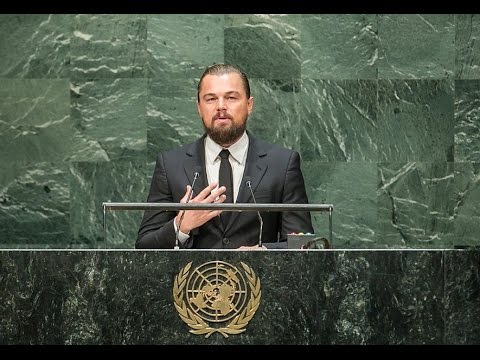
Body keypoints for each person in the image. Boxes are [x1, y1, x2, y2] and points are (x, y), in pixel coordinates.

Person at [136, 63, 313, 249]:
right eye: (211, 99)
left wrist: (264, 253)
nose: (221, 106)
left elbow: (303, 245)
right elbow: (144, 246)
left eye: (231, 97)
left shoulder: (282, 164)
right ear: (199, 107)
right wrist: (181, 226)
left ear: (249, 104)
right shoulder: (171, 165)